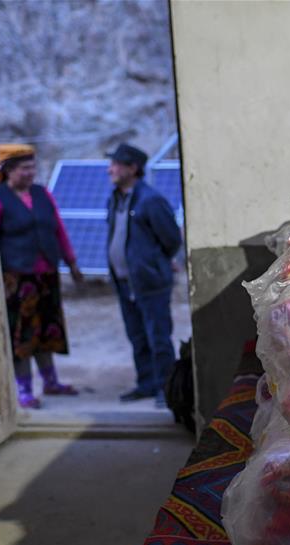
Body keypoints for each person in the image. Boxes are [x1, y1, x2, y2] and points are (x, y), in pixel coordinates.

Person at [0, 144, 83, 409]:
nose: (31, 172)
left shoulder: (42, 194)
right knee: (22, 335)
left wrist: (72, 263)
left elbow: (59, 229)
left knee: (46, 330)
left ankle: (51, 382)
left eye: (32, 167)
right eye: (24, 168)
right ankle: (24, 390)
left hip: (46, 276)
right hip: (17, 280)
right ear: (9, 170)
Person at [105, 143, 182, 407]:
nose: (110, 170)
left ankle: (165, 388)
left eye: (115, 165)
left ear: (132, 168)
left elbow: (171, 239)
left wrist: (153, 262)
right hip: (125, 283)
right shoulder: (115, 199)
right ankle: (146, 384)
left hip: (149, 282)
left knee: (158, 337)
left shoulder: (151, 200)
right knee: (137, 336)